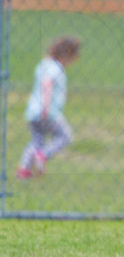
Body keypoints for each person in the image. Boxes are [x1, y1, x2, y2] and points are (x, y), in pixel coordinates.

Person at [17, 36, 82, 180]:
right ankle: (42, 155)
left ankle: (24, 170)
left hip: (32, 112)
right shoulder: (55, 68)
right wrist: (45, 107)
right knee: (65, 136)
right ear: (66, 56)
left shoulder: (43, 64)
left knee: (36, 140)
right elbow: (47, 83)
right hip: (47, 112)